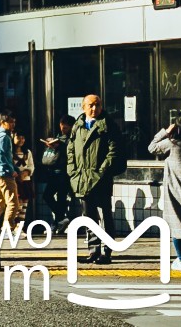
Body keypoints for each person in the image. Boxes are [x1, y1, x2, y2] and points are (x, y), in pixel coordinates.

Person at [69, 93, 119, 265]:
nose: (94, 108)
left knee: (106, 215)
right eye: (90, 105)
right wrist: (72, 172)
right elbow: (71, 150)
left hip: (101, 179)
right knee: (89, 216)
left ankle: (107, 251)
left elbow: (113, 152)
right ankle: (93, 250)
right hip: (82, 178)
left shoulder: (108, 125)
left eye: (97, 105)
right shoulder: (78, 125)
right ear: (83, 107)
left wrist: (101, 171)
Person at [151, 112, 181, 263]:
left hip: (175, 191)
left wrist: (164, 132)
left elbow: (151, 148)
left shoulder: (172, 144)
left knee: (177, 225)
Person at [0, 113, 24, 231]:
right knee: (13, 202)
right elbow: (1, 156)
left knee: (0, 203)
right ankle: (7, 228)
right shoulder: (4, 137)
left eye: (14, 122)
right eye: (10, 122)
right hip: (3, 173)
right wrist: (12, 170)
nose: (13, 125)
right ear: (2, 122)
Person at [36, 115, 74, 228]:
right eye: (61, 127)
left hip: (64, 172)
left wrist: (59, 146)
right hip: (54, 172)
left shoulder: (72, 139)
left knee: (59, 197)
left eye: (65, 128)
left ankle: (59, 220)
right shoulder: (60, 137)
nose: (63, 130)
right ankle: (61, 219)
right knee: (49, 196)